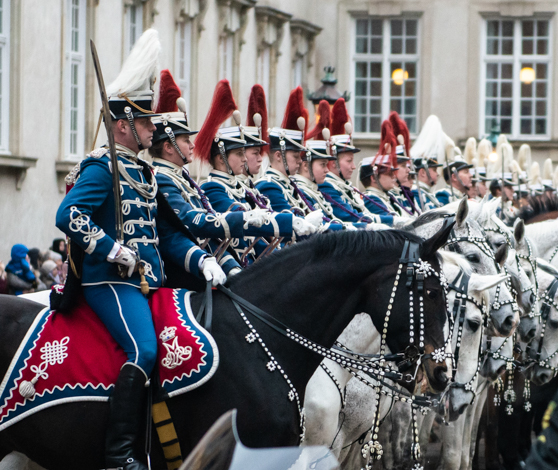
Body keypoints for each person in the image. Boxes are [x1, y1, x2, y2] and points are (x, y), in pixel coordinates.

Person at [56, 30, 225, 470]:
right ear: (123, 125)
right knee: (144, 352)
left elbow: (161, 235)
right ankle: (118, 456)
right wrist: (112, 250)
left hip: (148, 283)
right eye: (147, 123)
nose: (154, 129)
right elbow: (69, 215)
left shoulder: (143, 171)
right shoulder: (102, 165)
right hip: (108, 280)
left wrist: (199, 259)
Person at [149, 70, 267, 276]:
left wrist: (233, 269)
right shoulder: (162, 179)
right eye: (186, 140)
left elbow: (213, 241)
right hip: (184, 270)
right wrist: (244, 219)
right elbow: (191, 223)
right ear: (168, 147)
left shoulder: (182, 179)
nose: (193, 145)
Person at [197, 80, 311, 265]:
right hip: (231, 267)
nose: (246, 159)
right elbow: (245, 221)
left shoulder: (243, 188)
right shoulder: (212, 188)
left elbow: (262, 242)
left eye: (245, 153)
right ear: (221, 158)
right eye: (241, 153)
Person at [317, 98, 380, 224]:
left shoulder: (345, 187)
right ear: (334, 162)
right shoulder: (327, 186)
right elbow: (349, 216)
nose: (354, 166)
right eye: (349, 161)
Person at [359, 120, 407, 226]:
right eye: (389, 173)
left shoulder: (388, 197)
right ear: (374, 178)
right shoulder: (371, 199)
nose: (394, 176)